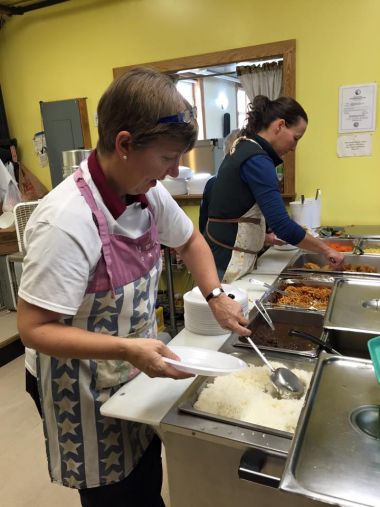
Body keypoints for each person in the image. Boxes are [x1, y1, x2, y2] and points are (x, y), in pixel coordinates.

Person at [17, 67, 250, 507]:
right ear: (124, 144)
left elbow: (190, 240)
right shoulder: (65, 221)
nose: (174, 170)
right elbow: (34, 328)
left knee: (143, 468)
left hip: (134, 363)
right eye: (166, 158)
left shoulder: (147, 191)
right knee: (113, 492)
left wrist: (217, 296)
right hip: (79, 379)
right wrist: (127, 349)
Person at [204, 95, 344, 283]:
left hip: (219, 256)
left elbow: (238, 208)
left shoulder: (243, 147)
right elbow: (283, 226)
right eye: (296, 138)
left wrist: (265, 236)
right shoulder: (257, 159)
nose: (294, 147)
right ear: (280, 125)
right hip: (226, 261)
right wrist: (326, 249)